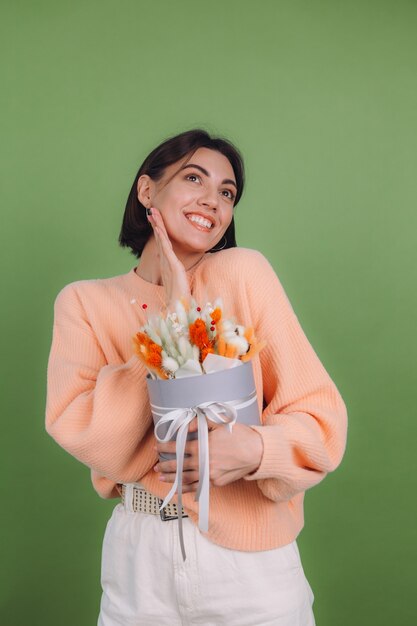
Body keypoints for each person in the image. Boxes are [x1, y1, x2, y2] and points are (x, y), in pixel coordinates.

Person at [45, 128, 348, 625]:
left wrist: (256, 449)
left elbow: (320, 418)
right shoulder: (83, 303)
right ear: (148, 191)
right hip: (139, 562)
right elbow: (91, 436)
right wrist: (177, 316)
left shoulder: (244, 273)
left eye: (227, 193)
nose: (213, 200)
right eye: (194, 178)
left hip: (251, 567)